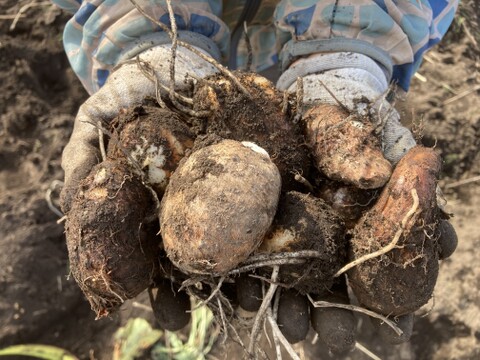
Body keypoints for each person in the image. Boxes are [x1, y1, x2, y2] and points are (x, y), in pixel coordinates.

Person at [51, 0, 459, 355]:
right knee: (226, 94)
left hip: (325, 36)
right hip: (186, 48)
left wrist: (349, 50)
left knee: (255, 97)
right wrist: (142, 36)